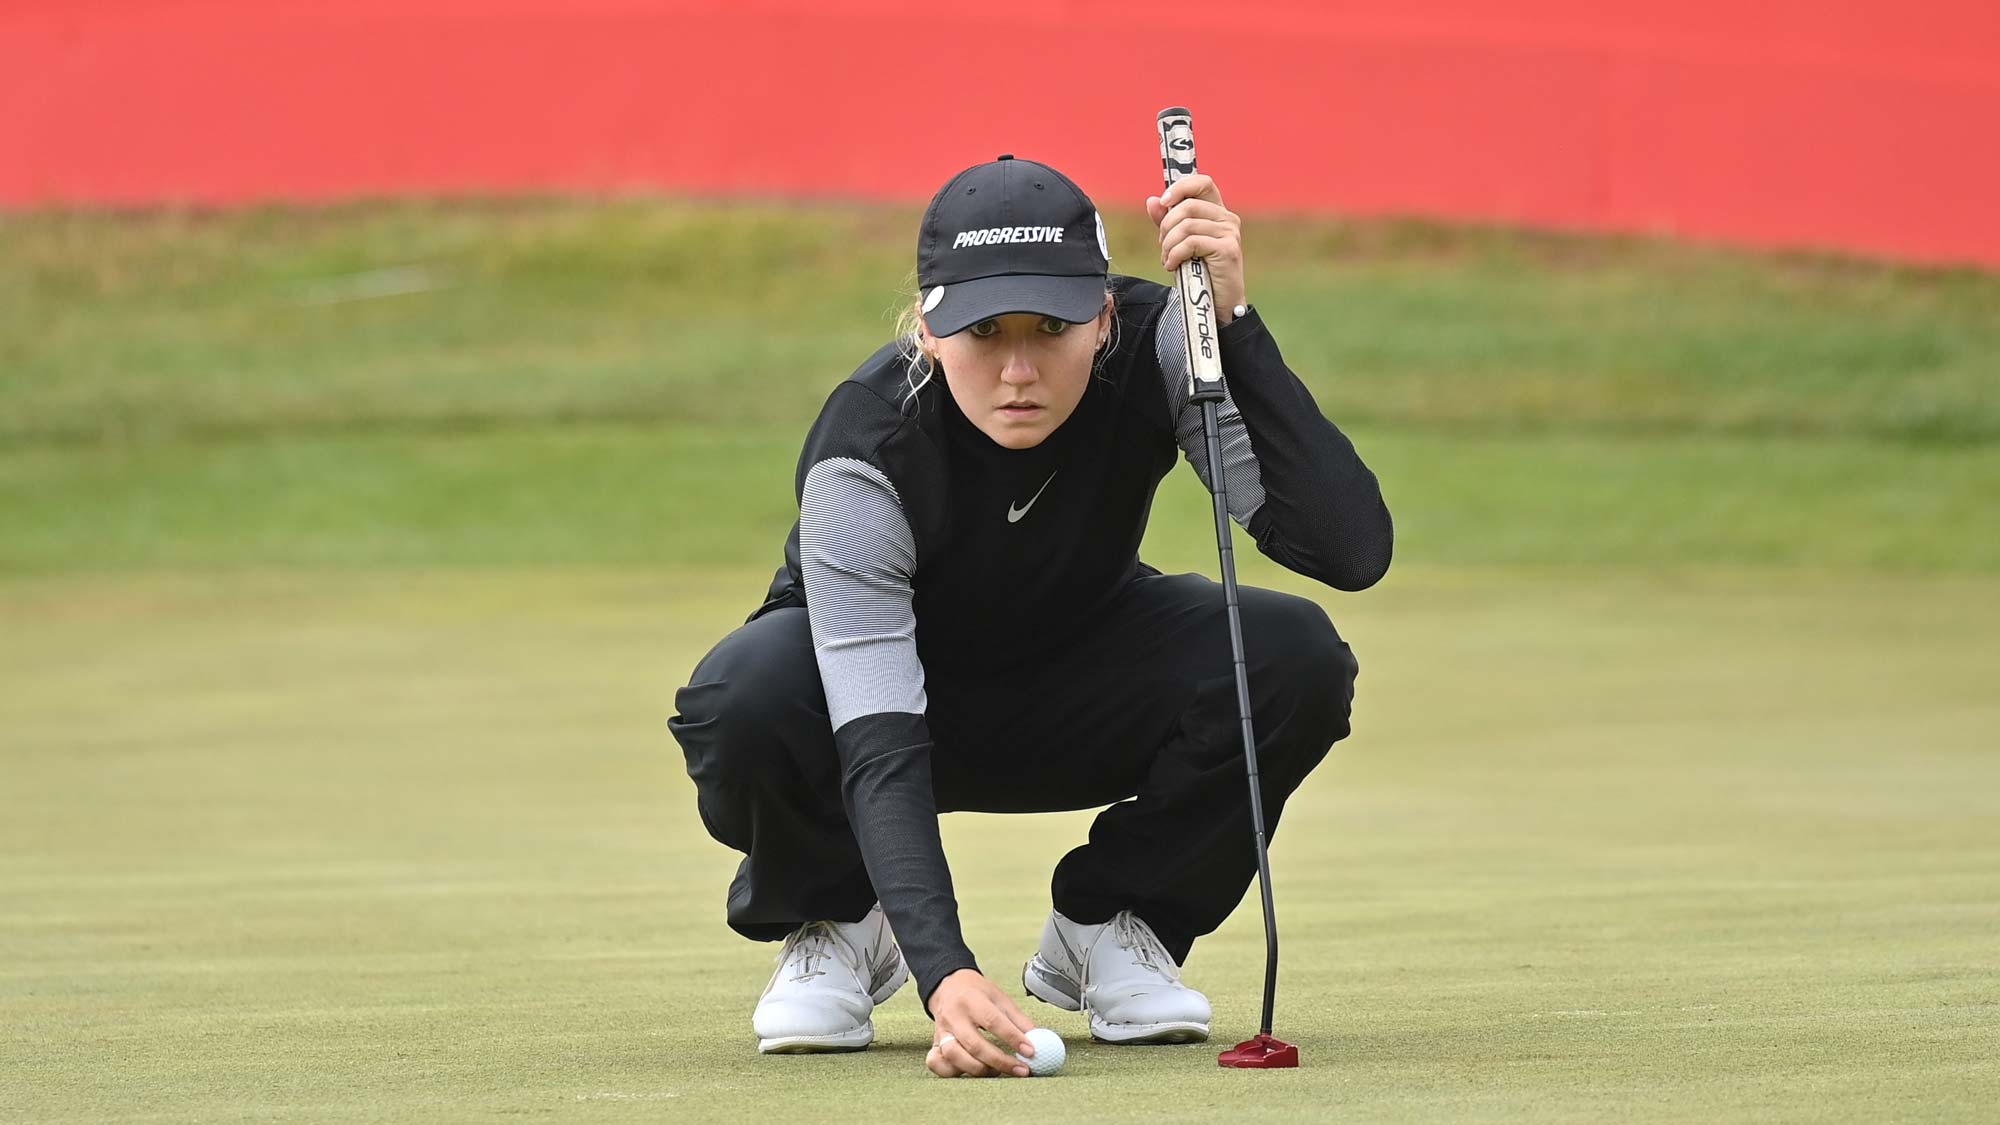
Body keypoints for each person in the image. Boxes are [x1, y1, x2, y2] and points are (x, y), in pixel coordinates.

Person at [668, 154, 1392, 1079]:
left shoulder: (1163, 344)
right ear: (929, 331)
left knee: (1295, 656)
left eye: (1051, 327)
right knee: (747, 693)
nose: (1018, 369)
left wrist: (1235, 327)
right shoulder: (866, 445)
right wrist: (946, 972)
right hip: (877, 713)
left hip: (1080, 675)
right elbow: (879, 734)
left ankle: (1115, 923)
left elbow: (1348, 551)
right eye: (981, 331)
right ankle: (844, 916)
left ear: (1103, 318)